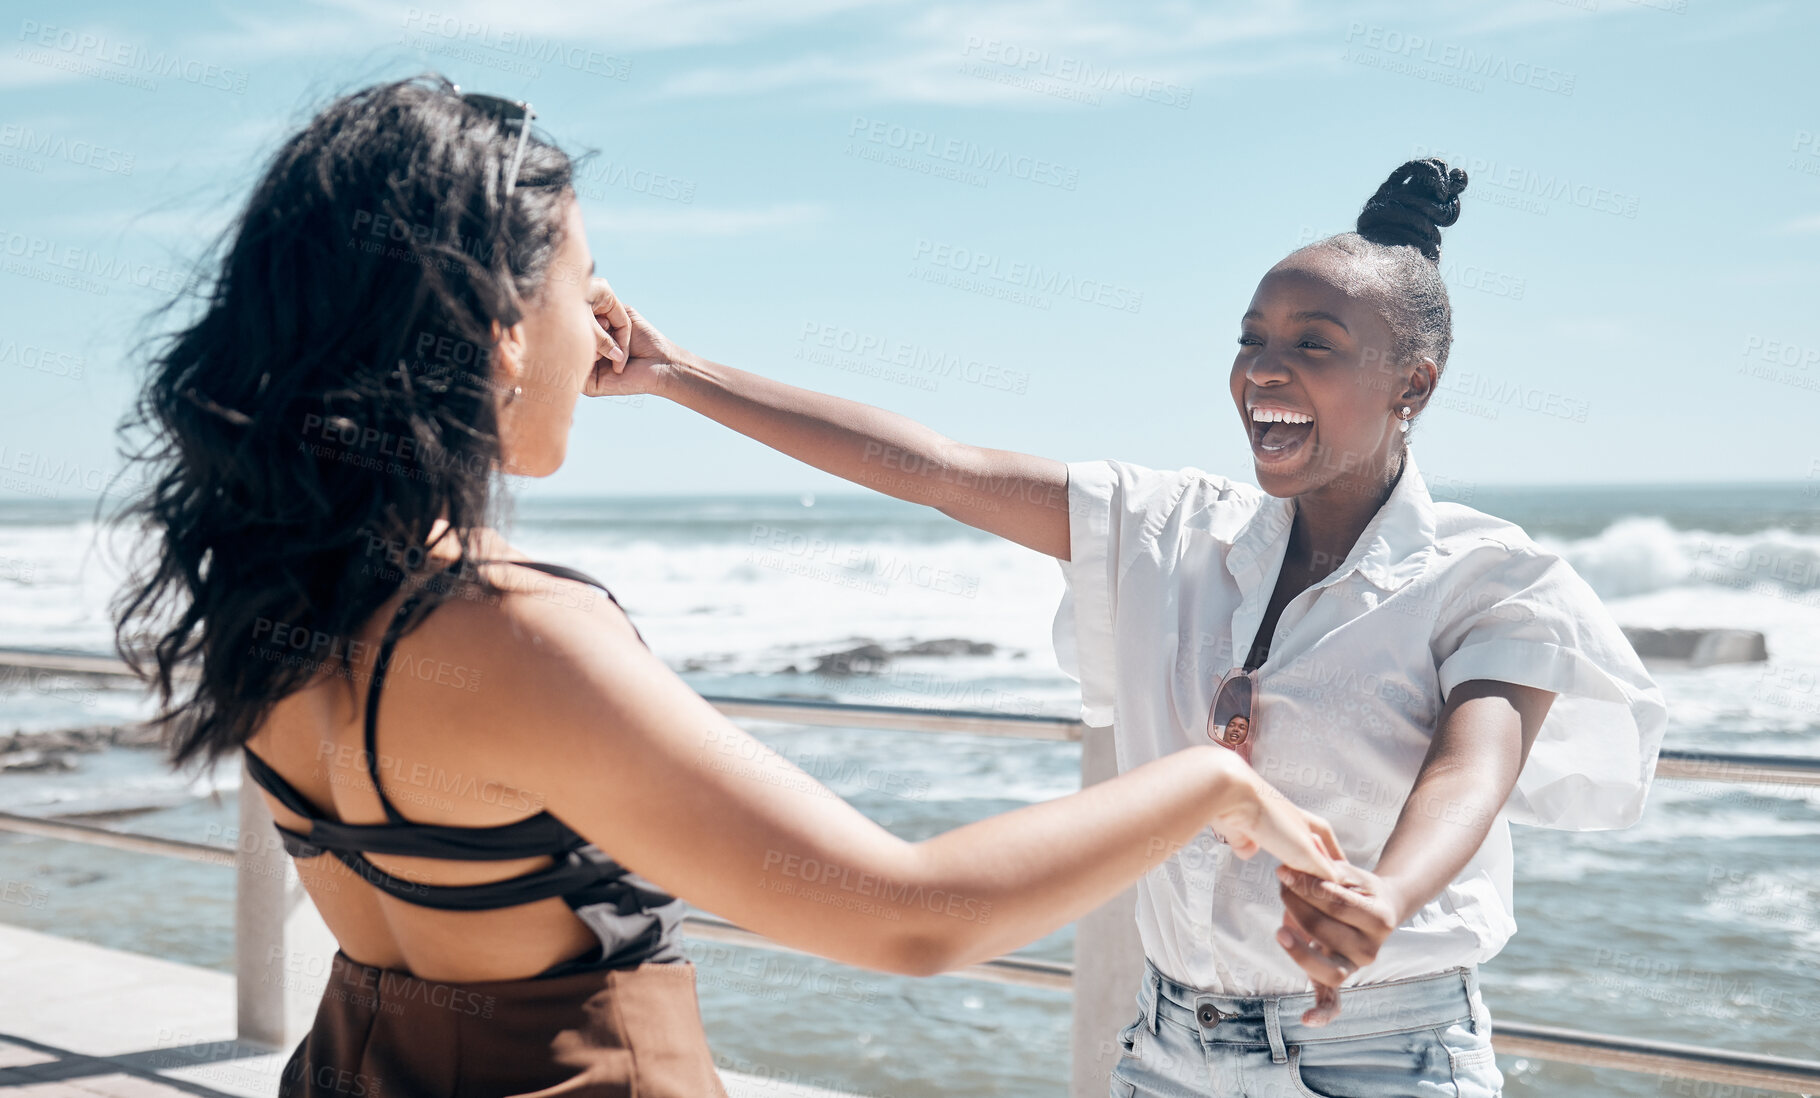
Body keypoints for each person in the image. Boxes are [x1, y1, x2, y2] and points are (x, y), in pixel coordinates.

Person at [107, 75, 1346, 1098]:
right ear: (492, 327)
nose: (600, 329)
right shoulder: (514, 634)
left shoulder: (281, 592)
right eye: (573, 284)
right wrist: (1208, 783)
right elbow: (907, 916)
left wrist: (678, 368)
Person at [589, 158, 1668, 1096]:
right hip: (1164, 1048)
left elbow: (1470, 772)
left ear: (1412, 385)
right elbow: (936, 470)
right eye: (1248, 339)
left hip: (1376, 1057)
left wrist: (1380, 895)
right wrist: (676, 376)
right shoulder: (1169, 527)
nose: (1262, 370)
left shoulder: (1489, 578)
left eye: (1312, 344)